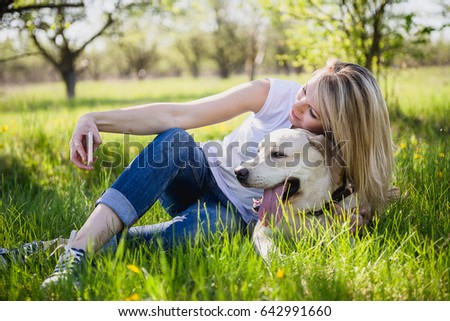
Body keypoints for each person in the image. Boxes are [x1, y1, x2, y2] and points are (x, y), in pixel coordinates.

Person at [38, 58, 395, 287]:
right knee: (175, 139)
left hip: (230, 215)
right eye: (304, 90)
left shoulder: (342, 157)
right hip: (199, 173)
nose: (296, 107)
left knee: (210, 230)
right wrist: (94, 119)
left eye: (313, 113)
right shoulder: (271, 94)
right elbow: (178, 115)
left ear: (336, 131)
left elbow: (367, 198)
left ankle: (52, 248)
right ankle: (75, 257)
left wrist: (361, 212)